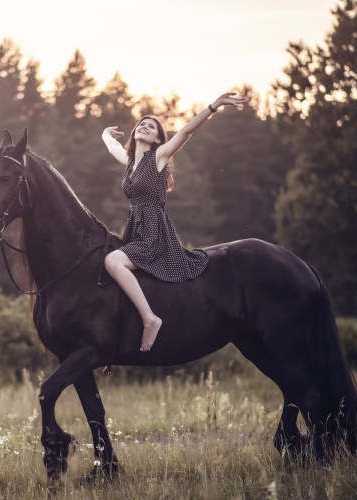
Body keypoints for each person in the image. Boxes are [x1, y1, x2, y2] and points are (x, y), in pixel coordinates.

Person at [102, 92, 248, 352]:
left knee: (112, 261)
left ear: (158, 138)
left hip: (154, 233)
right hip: (135, 229)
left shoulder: (158, 157)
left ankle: (150, 319)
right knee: (110, 270)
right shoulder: (129, 163)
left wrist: (214, 105)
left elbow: (186, 131)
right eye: (141, 124)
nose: (144, 127)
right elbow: (113, 147)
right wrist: (104, 134)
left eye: (151, 126)